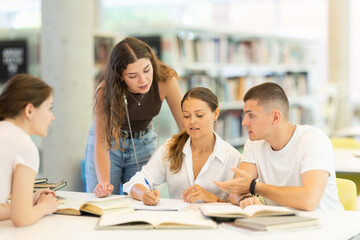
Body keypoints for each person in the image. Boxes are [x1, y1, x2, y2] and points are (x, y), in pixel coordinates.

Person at [214, 82, 343, 211]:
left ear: (275, 117)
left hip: (326, 225)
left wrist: (254, 187)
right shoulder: (254, 143)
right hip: (283, 225)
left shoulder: (314, 140)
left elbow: (309, 201)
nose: (244, 122)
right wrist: (246, 198)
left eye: (251, 115)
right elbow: (236, 191)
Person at [85, 37, 184, 198]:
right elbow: (101, 142)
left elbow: (185, 126)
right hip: (110, 144)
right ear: (120, 76)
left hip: (144, 143)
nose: (143, 80)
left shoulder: (166, 80)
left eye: (146, 70)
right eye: (132, 75)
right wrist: (103, 182)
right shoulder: (105, 90)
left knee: (144, 200)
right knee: (102, 201)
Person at [123, 87, 241, 205]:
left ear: (215, 114)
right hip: (177, 221)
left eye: (199, 115)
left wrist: (212, 198)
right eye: (186, 116)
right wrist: (145, 194)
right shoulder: (171, 147)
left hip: (214, 222)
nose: (192, 121)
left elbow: (240, 206)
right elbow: (135, 182)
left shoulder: (233, 158)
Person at [0, 74, 57, 227]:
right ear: (30, 110)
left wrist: (29, 201)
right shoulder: (23, 145)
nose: (52, 117)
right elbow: (21, 219)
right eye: (50, 108)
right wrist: (46, 207)